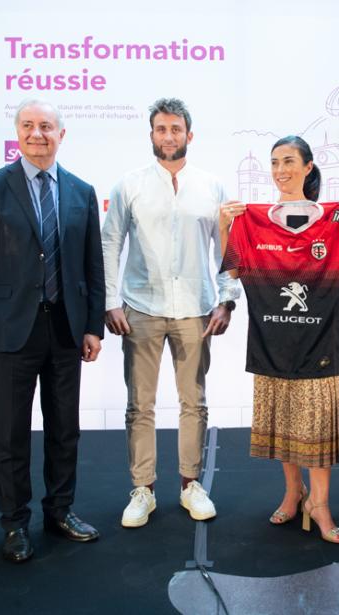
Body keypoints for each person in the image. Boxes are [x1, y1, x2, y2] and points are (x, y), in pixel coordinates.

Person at [0, 99, 105, 563]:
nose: (37, 133)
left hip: (65, 329)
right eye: (28, 125)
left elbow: (91, 265)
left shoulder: (82, 191)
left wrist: (92, 326)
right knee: (11, 434)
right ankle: (15, 524)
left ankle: (60, 511)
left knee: (65, 430)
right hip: (10, 331)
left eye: (46, 126)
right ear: (17, 133)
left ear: (61, 134)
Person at [102, 98, 240, 527]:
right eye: (161, 129)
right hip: (140, 307)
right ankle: (142, 489)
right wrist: (109, 300)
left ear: (189, 135)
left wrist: (226, 298)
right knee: (139, 404)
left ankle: (190, 485)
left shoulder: (212, 186)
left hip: (196, 309)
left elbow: (227, 248)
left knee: (193, 402)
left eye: (176, 129)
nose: (169, 136)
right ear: (151, 135)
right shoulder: (129, 185)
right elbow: (110, 242)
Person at [220, 135, 339, 544]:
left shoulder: (334, 222)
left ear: (308, 166)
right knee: (283, 429)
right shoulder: (253, 221)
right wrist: (223, 224)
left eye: (289, 161)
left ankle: (319, 504)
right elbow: (231, 269)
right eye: (275, 162)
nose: (281, 170)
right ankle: (292, 492)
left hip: (318, 346)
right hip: (272, 344)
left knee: (316, 434)